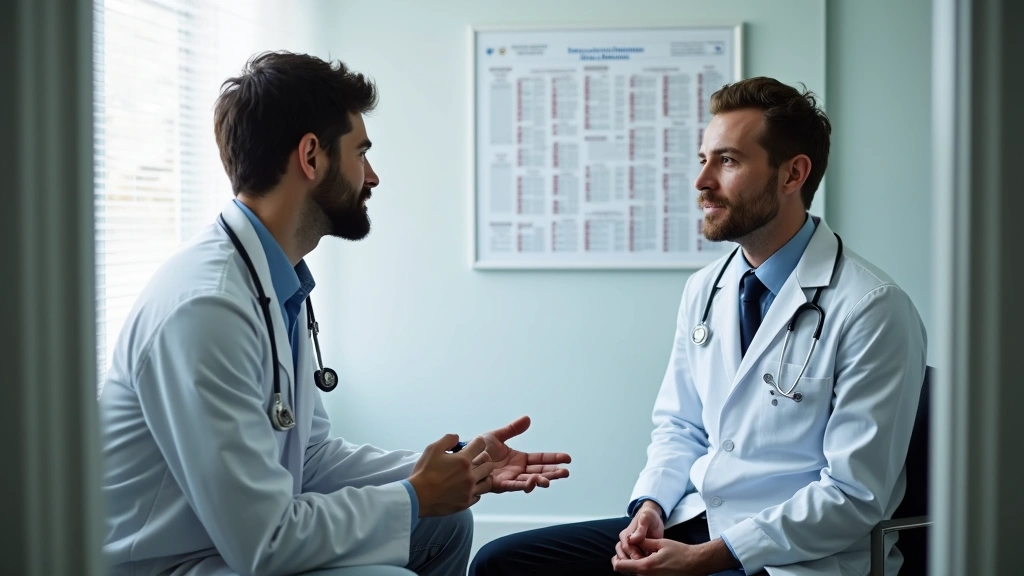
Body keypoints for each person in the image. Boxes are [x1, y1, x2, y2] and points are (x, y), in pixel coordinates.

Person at [97, 51, 571, 576]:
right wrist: (415, 495)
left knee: (445, 522)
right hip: (174, 563)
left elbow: (311, 460)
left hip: (231, 542)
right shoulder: (206, 309)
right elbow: (266, 542)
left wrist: (460, 467)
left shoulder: (275, 279)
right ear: (311, 157)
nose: (372, 176)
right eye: (361, 152)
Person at [470, 77, 926, 576]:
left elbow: (853, 495)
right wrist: (651, 507)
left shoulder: (873, 308)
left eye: (727, 161)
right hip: (696, 522)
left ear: (793, 174)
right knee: (503, 564)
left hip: (795, 557)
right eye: (703, 158)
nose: (701, 180)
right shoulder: (707, 288)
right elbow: (679, 426)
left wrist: (710, 557)